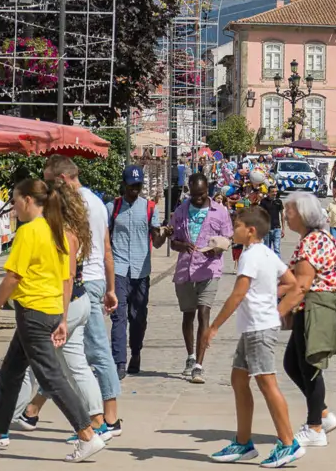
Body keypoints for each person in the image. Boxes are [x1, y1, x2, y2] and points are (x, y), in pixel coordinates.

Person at [0, 179, 105, 462]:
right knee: (10, 374)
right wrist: (61, 317)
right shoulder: (55, 229)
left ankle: (87, 434)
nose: (13, 207)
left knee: (51, 376)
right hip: (47, 311)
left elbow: (13, 276)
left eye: (14, 200)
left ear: (27, 200)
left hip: (33, 313)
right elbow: (66, 278)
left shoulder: (30, 232)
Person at [12, 156, 123, 440]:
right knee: (70, 361)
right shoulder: (96, 202)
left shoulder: (71, 209)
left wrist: (62, 313)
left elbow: (68, 269)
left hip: (77, 288)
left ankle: (105, 420)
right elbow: (106, 248)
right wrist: (110, 287)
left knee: (83, 357)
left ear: (61, 180)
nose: (45, 188)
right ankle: (32, 413)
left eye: (48, 181)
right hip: (87, 286)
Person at [200, 207, 304, 468]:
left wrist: (213, 327)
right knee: (238, 378)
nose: (232, 230)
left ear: (251, 230)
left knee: (267, 383)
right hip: (253, 328)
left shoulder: (250, 256)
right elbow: (290, 282)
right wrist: (268, 294)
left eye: (236, 226)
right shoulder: (267, 253)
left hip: (259, 328)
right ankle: (243, 442)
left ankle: (288, 443)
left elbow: (238, 294)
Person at [277, 192, 336, 448]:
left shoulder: (313, 242)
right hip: (308, 309)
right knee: (293, 365)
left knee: (310, 369)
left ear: (304, 214)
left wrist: (277, 312)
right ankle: (324, 415)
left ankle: (315, 427)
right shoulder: (313, 238)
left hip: (314, 309)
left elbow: (302, 285)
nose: (286, 215)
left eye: (290, 211)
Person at [162, 172, 233, 385]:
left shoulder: (220, 212)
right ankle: (190, 356)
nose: (198, 198)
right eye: (195, 195)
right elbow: (173, 240)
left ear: (207, 191)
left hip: (209, 269)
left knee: (204, 312)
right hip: (185, 269)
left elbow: (228, 238)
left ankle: (199, 366)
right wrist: (181, 245)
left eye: (202, 195)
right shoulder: (181, 211)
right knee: (188, 315)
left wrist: (217, 248)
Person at [107, 165, 164, 377]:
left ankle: (136, 352)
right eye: (131, 186)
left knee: (138, 317)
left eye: (138, 186)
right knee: (118, 316)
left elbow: (157, 242)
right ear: (124, 185)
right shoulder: (112, 208)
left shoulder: (150, 208)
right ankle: (119, 362)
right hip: (119, 269)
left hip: (141, 270)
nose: (134, 190)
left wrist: (162, 234)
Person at [259, 187, 285, 254]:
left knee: (277, 249)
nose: (275, 193)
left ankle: (277, 264)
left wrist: (283, 229)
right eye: (273, 192)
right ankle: (267, 264)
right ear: (268, 193)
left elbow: (282, 215)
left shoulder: (279, 202)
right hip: (267, 229)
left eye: (276, 191)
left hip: (277, 229)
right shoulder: (263, 202)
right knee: (267, 249)